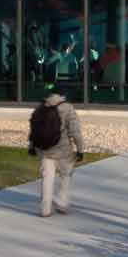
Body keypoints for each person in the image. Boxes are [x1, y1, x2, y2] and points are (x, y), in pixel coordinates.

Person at [27, 82, 87, 218]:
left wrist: (31, 146)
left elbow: (34, 129)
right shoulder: (68, 108)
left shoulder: (42, 106)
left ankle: (45, 209)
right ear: (64, 94)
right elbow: (75, 131)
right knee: (66, 175)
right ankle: (61, 202)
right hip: (63, 151)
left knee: (47, 178)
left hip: (44, 150)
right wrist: (80, 149)